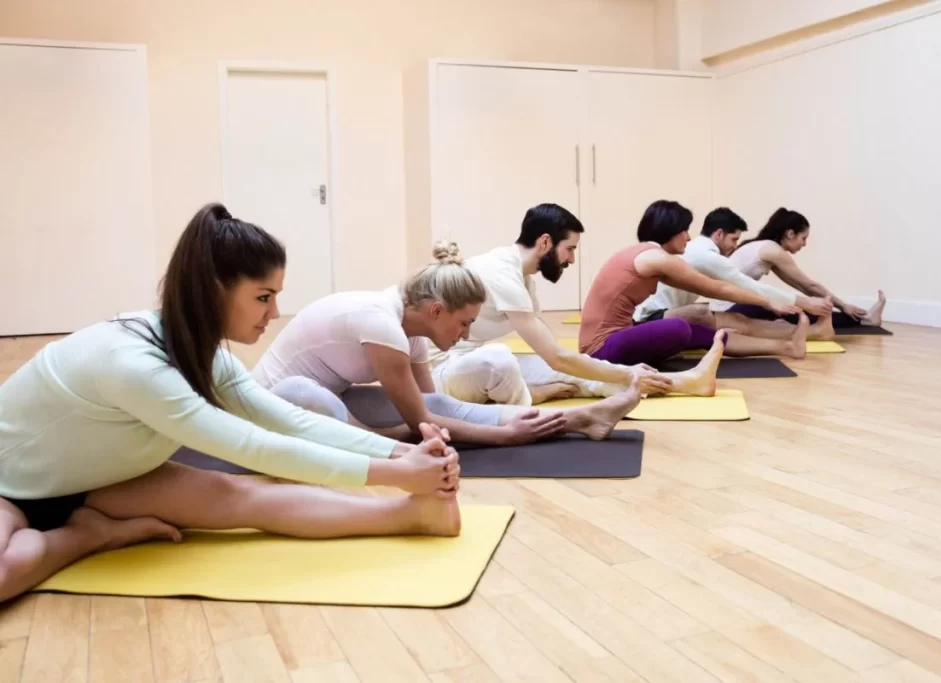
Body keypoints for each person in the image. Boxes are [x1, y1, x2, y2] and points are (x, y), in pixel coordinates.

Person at [0, 203, 463, 605]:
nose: (275, 313)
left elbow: (285, 421)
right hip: (10, 485)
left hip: (99, 480)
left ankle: (414, 516)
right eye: (263, 297)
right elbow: (252, 447)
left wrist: (400, 454)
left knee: (240, 497)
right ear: (214, 290)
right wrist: (398, 474)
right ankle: (90, 536)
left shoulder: (203, 352)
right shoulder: (131, 364)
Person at [250, 241, 647, 446]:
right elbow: (422, 424)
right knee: (302, 391)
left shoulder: (413, 330)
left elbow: (433, 410)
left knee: (436, 403)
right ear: (436, 311)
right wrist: (506, 435)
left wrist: (441, 425)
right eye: (464, 323)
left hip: (329, 405)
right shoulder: (381, 323)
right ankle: (391, 441)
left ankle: (583, 418)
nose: (466, 334)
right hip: (270, 411)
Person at [427, 203, 722, 408]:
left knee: (581, 373)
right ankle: (529, 394)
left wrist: (610, 371)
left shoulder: (522, 278)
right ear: (545, 242)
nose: (571, 259)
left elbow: (556, 354)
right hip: (440, 376)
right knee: (500, 357)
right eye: (569, 249)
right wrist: (624, 372)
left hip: (467, 366)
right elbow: (555, 356)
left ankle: (688, 382)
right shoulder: (501, 272)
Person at [579, 200, 811, 368]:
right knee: (679, 327)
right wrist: (768, 302)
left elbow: (709, 288)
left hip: (618, 335)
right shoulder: (658, 259)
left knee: (700, 331)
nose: (689, 238)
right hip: (599, 349)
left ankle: (787, 347)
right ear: (669, 231)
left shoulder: (648, 255)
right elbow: (718, 288)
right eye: (684, 231)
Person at [635, 207, 838, 340]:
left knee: (736, 320)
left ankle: (808, 334)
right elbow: (748, 285)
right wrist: (806, 303)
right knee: (736, 321)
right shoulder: (707, 256)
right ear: (719, 234)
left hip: (660, 313)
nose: (735, 247)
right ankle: (812, 333)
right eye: (734, 239)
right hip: (652, 317)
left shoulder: (698, 251)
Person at [705, 207, 886, 330]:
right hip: (730, 310)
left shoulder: (764, 247)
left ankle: (863, 320)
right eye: (803, 238)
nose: (804, 244)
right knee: (789, 309)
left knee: (787, 306)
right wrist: (843, 306)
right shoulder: (772, 250)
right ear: (790, 233)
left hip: (725, 308)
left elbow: (801, 286)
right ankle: (865, 321)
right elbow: (810, 286)